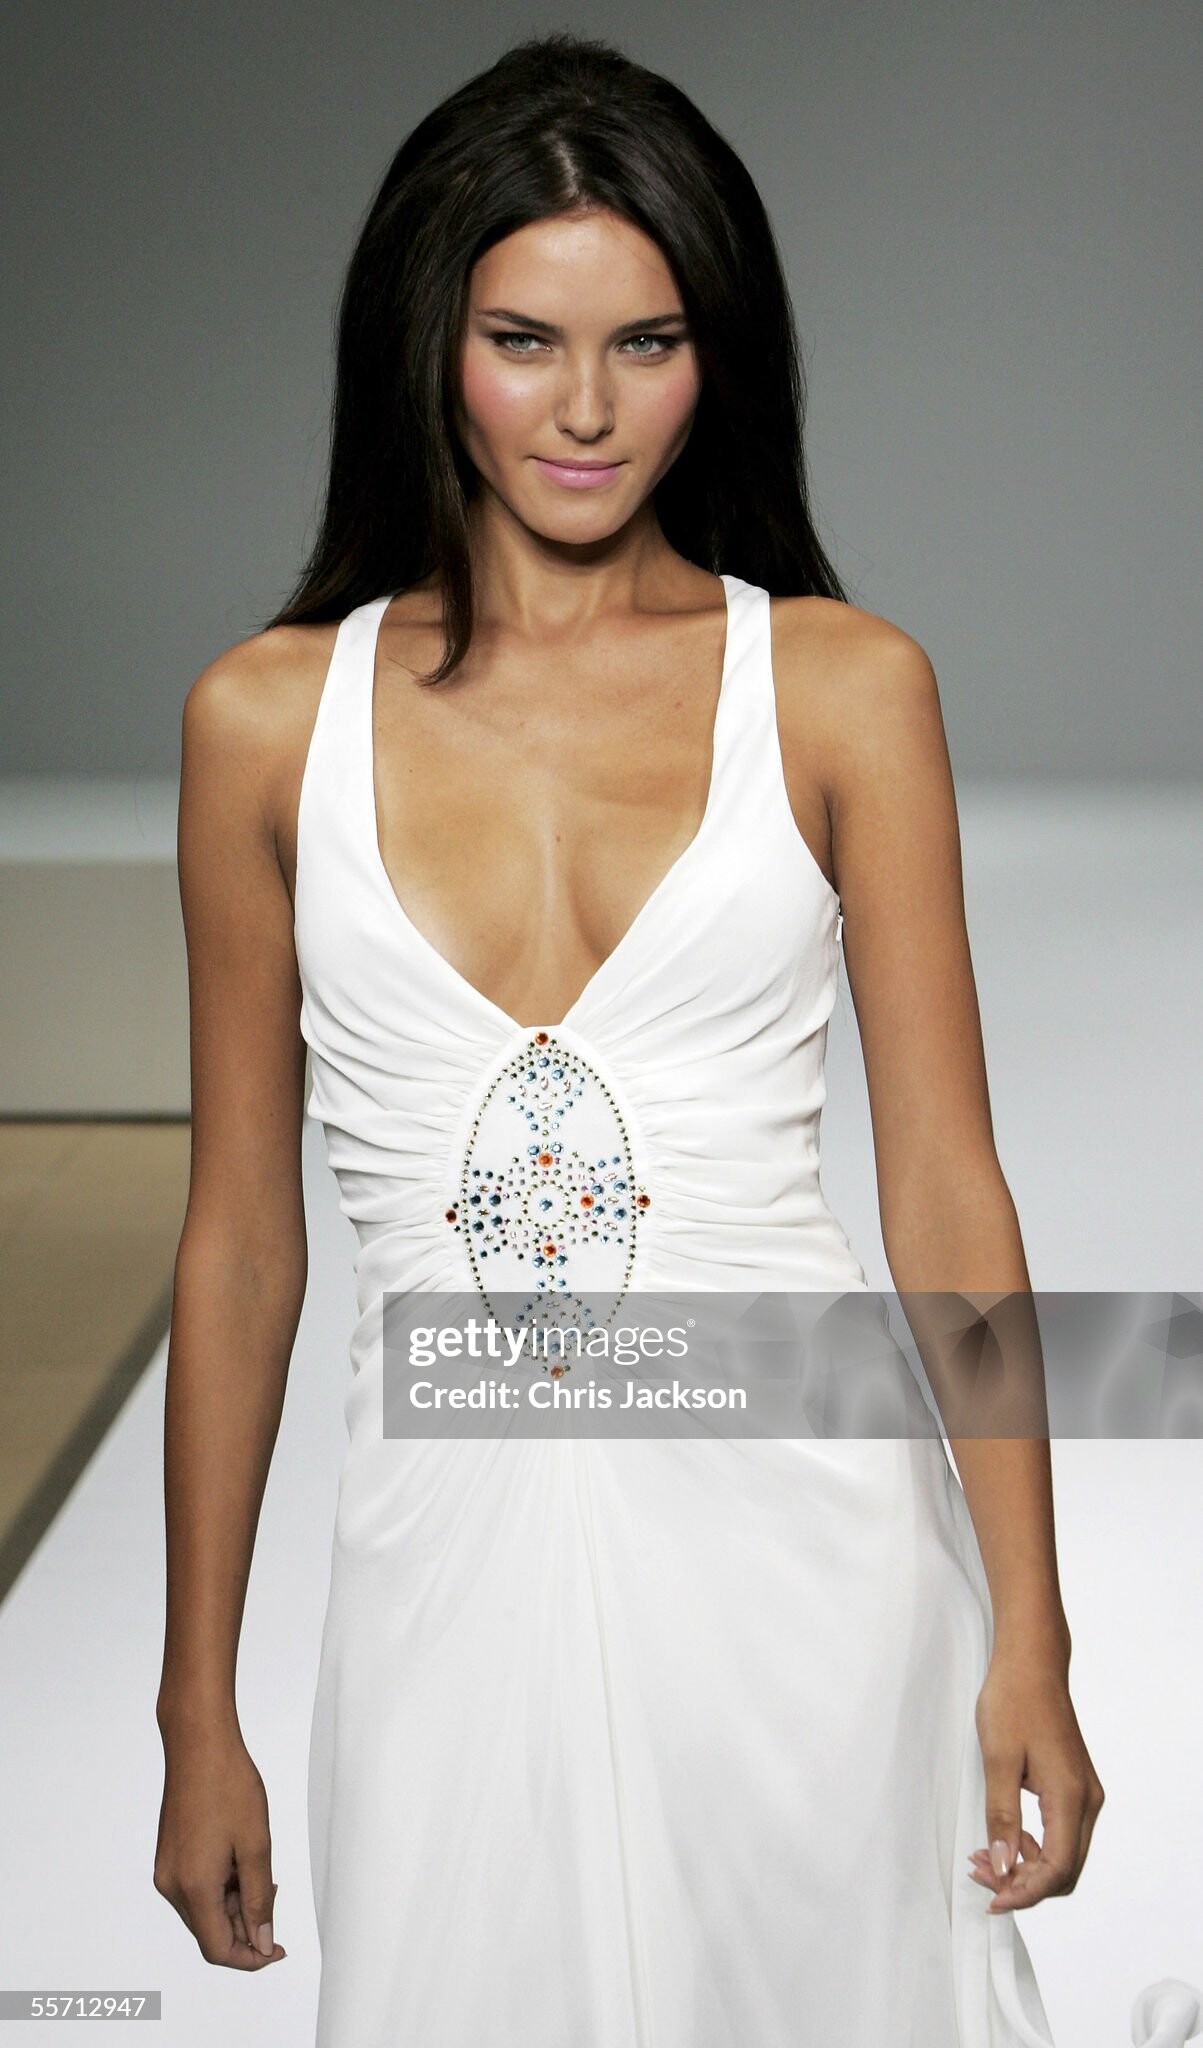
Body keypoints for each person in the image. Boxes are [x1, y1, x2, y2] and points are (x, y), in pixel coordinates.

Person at [153, 30, 1104, 2046]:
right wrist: (192, 1706)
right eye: (524, 341)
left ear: (714, 356)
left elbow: (945, 1187)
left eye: (645, 343)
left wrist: (1031, 1626)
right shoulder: (260, 724)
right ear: (428, 344)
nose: (585, 410)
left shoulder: (842, 689)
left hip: (812, 1556)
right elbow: (238, 1242)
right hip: (443, 1566)